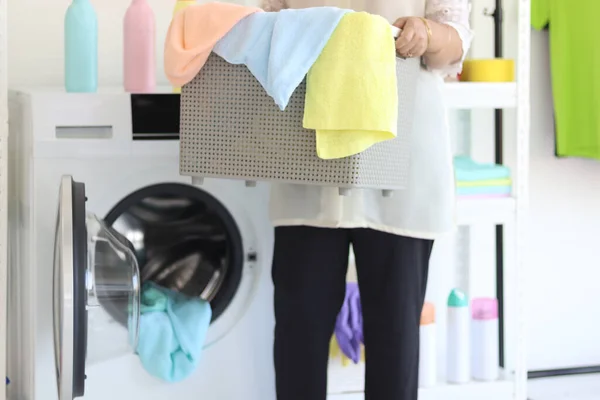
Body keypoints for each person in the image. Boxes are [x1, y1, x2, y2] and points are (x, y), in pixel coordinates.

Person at [262, 0, 473, 399]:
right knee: (298, 336)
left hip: (400, 158)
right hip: (306, 157)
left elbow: (456, 39)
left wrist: (426, 34)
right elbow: (259, 23)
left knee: (394, 339)